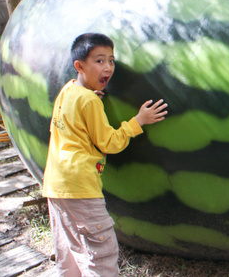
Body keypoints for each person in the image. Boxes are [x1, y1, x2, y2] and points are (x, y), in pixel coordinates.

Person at [42, 33, 168, 276]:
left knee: (69, 250)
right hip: (81, 187)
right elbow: (109, 143)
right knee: (102, 252)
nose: (108, 67)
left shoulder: (68, 91)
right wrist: (138, 121)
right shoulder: (89, 102)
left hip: (55, 186)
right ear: (79, 66)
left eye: (111, 60)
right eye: (99, 61)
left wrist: (90, 97)